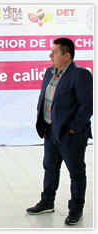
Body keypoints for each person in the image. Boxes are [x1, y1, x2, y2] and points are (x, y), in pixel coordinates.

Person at [26, 38, 93, 226]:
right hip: (50, 131)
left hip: (71, 135)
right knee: (50, 168)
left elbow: (87, 106)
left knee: (76, 173)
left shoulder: (80, 75)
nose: (50, 55)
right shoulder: (49, 72)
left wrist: (73, 128)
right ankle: (47, 202)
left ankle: (76, 210)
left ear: (67, 55)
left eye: (54, 52)